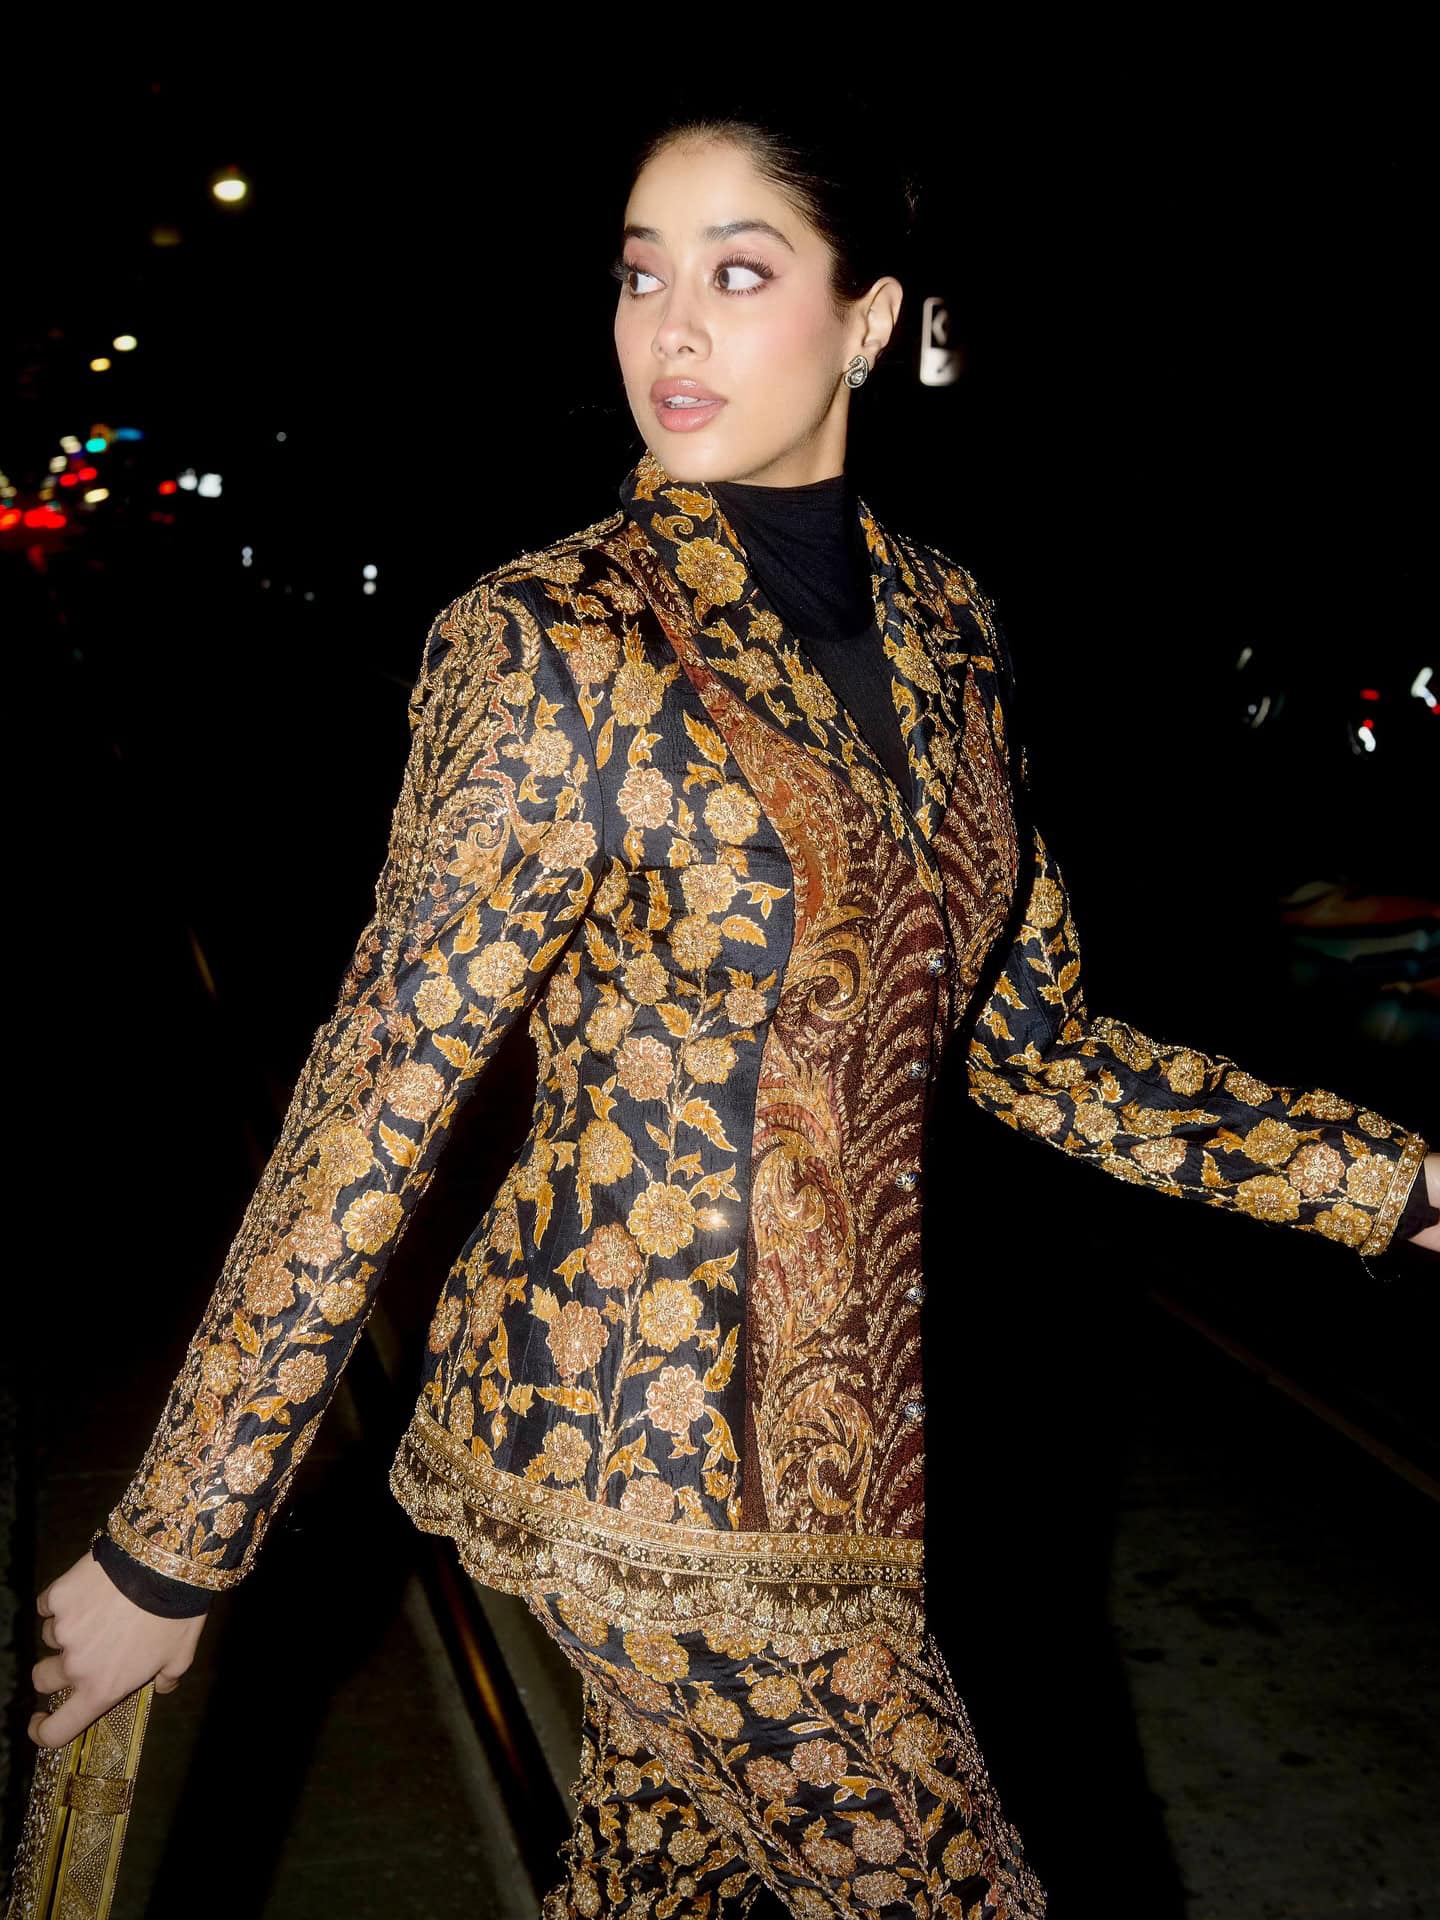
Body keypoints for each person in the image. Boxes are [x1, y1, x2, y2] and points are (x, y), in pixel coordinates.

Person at [30, 95, 1437, 1920]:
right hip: (637, 1469)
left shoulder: (948, 633)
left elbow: (1042, 1052)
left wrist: (1395, 1185)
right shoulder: (553, 642)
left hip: (853, 1474)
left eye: (740, 272)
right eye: (641, 276)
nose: (671, 329)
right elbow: (373, 1103)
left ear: (871, 320)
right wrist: (174, 1545)